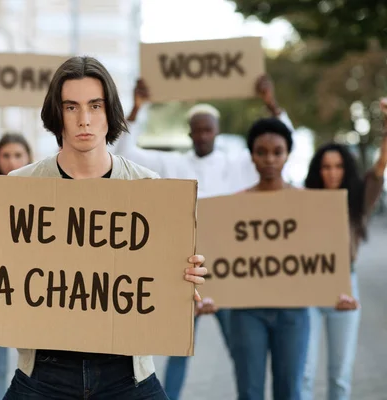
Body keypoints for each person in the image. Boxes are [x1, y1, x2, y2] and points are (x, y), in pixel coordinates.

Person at [0, 55, 208, 399]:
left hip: (126, 374)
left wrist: (183, 278)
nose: (84, 120)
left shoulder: (148, 188)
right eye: (71, 107)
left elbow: (163, 277)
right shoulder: (18, 187)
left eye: (94, 106)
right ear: (57, 114)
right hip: (43, 373)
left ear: (109, 111)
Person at [111, 75, 293, 399]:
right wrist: (139, 107)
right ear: (190, 132)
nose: (203, 135)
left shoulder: (238, 164)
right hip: (187, 270)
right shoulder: (173, 163)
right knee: (180, 351)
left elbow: (282, 144)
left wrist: (271, 104)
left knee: (241, 349)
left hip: (227, 271)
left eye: (208, 129)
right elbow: (124, 150)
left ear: (216, 131)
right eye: (198, 129)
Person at [301, 98, 387, 400]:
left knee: (339, 376)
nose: (332, 172)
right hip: (308, 287)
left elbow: (378, 168)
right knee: (305, 373)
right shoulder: (303, 202)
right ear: (317, 170)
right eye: (326, 166)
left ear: (345, 169)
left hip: (345, 284)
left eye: (338, 166)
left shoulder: (357, 200)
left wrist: (386, 128)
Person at [224, 117, 309, 400]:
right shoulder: (234, 205)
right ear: (252, 156)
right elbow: (223, 257)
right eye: (261, 152)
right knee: (249, 392)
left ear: (287, 154)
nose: (269, 159)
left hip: (293, 310)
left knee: (290, 391)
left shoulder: (308, 204)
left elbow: (321, 258)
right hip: (247, 310)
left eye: (277, 152)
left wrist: (336, 291)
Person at [0, 132, 33, 400]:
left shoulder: (48, 192)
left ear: (28, 158)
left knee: (37, 365)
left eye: (18, 155)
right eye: (6, 155)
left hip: (35, 290)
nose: (12, 162)